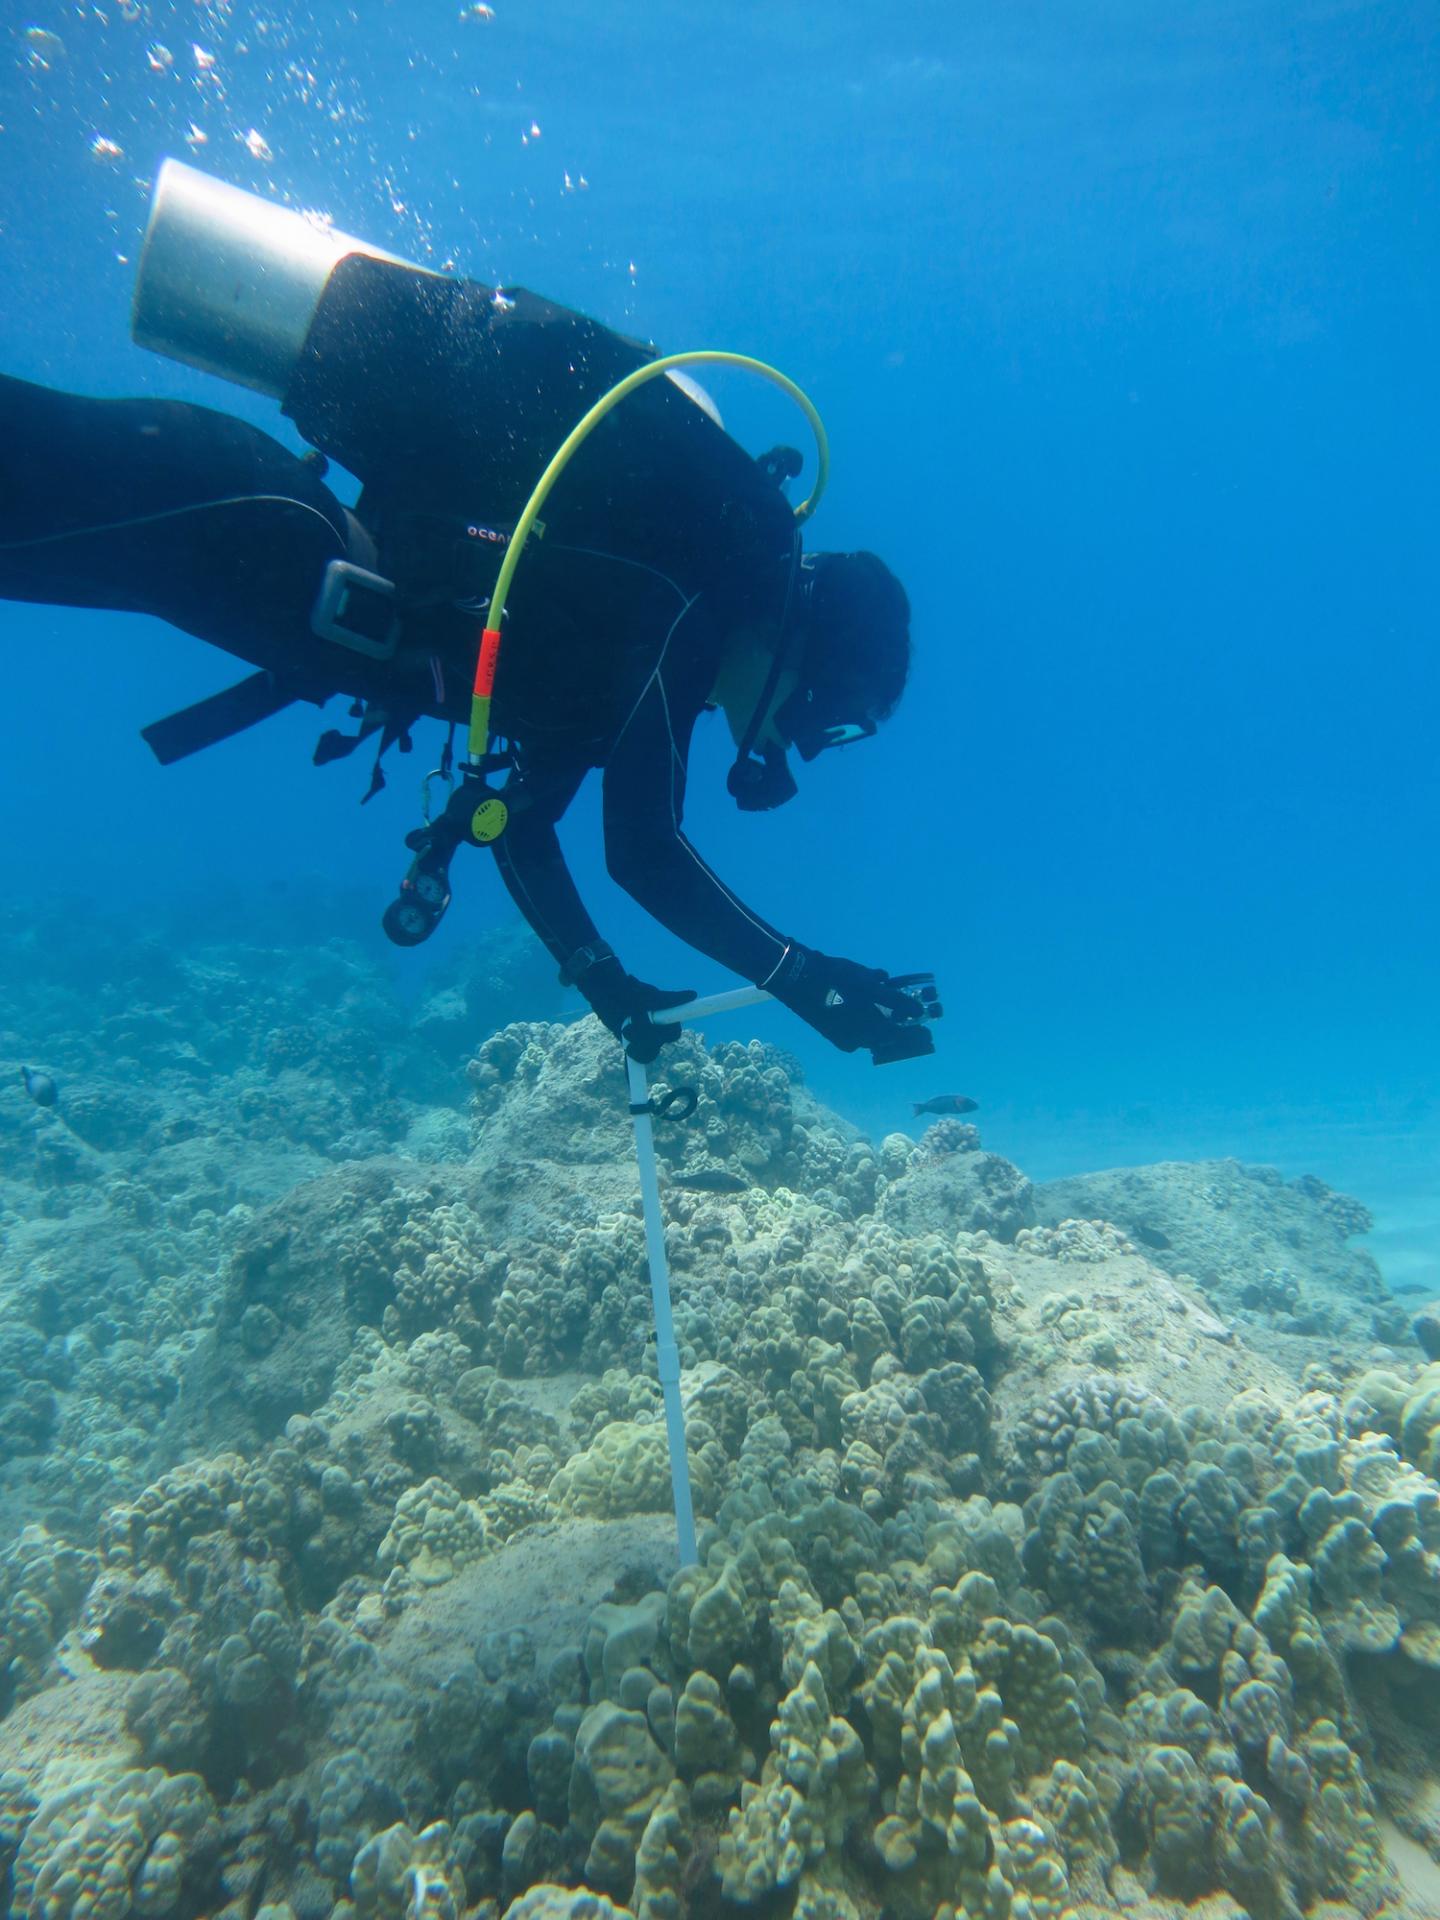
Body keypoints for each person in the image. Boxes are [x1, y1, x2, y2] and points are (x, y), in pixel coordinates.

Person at [0, 174, 937, 1067]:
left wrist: (604, 982)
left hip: (254, 543)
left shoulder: (640, 657)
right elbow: (644, 852)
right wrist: (803, 981)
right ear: (803, 649)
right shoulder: (681, 612)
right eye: (826, 718)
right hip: (257, 525)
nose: (800, 743)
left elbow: (519, 821)